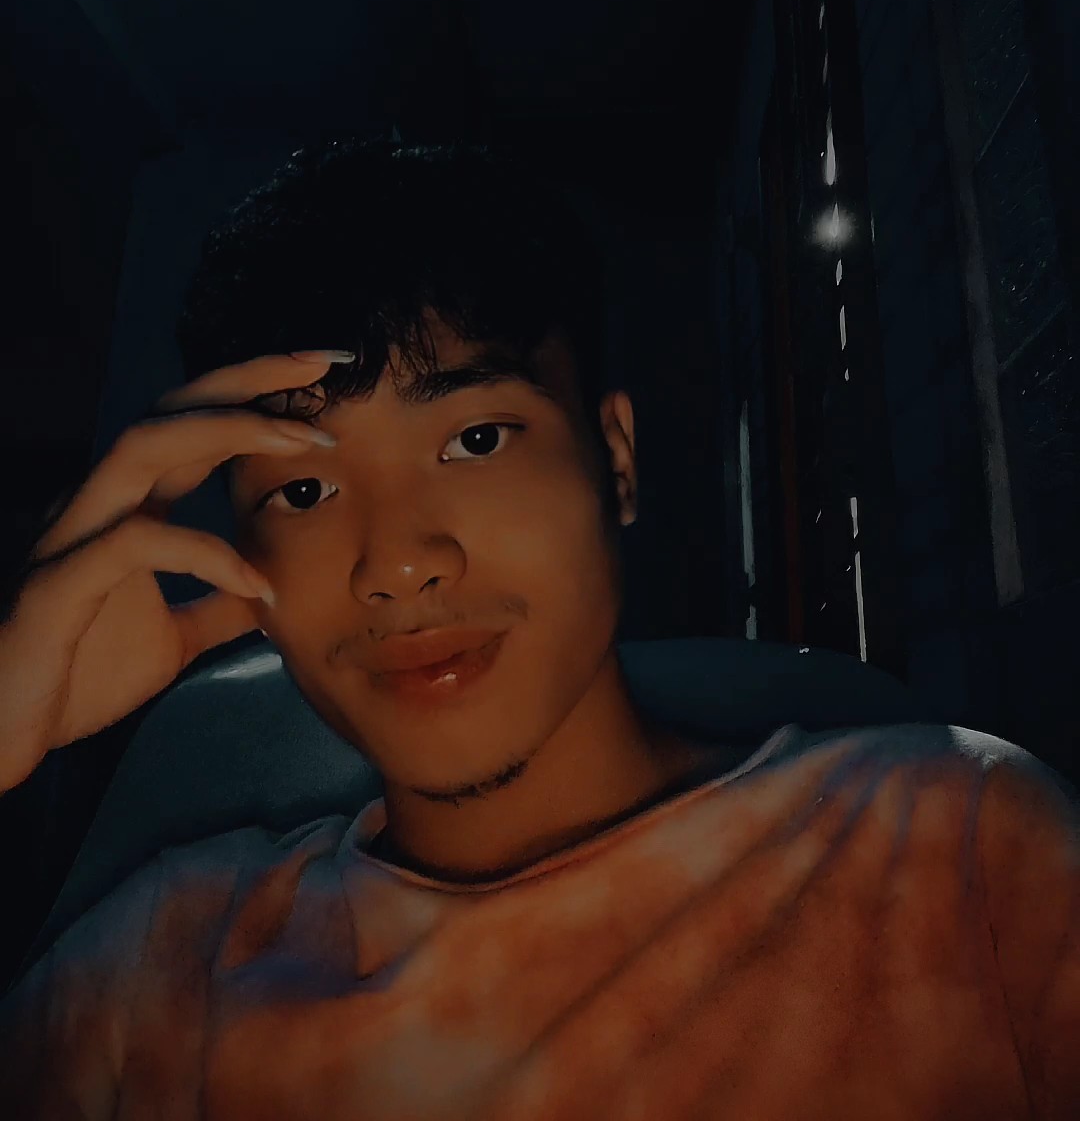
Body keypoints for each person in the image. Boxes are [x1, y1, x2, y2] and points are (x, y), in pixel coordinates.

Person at [0, 136, 1078, 1119]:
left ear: (616, 462)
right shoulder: (154, 977)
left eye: (475, 439)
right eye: (303, 492)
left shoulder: (961, 853)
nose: (397, 563)